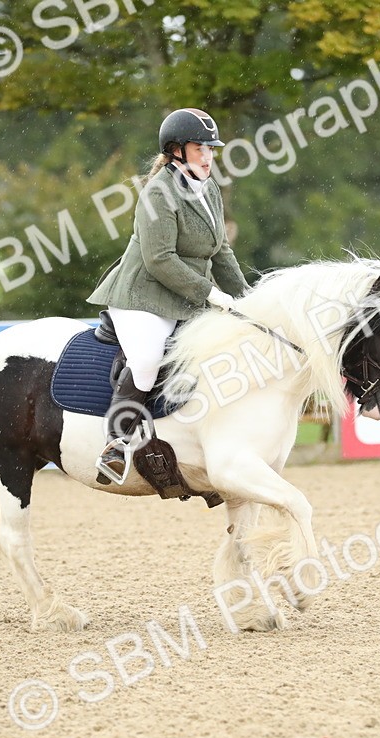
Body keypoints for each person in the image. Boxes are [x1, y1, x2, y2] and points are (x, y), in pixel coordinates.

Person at [87, 108, 251, 483]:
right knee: (146, 359)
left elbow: (221, 249)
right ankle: (116, 442)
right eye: (199, 148)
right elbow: (159, 259)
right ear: (176, 150)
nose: (208, 156)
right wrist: (210, 292)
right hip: (142, 297)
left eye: (211, 149)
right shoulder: (157, 194)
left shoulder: (207, 187)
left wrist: (245, 299)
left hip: (188, 298)